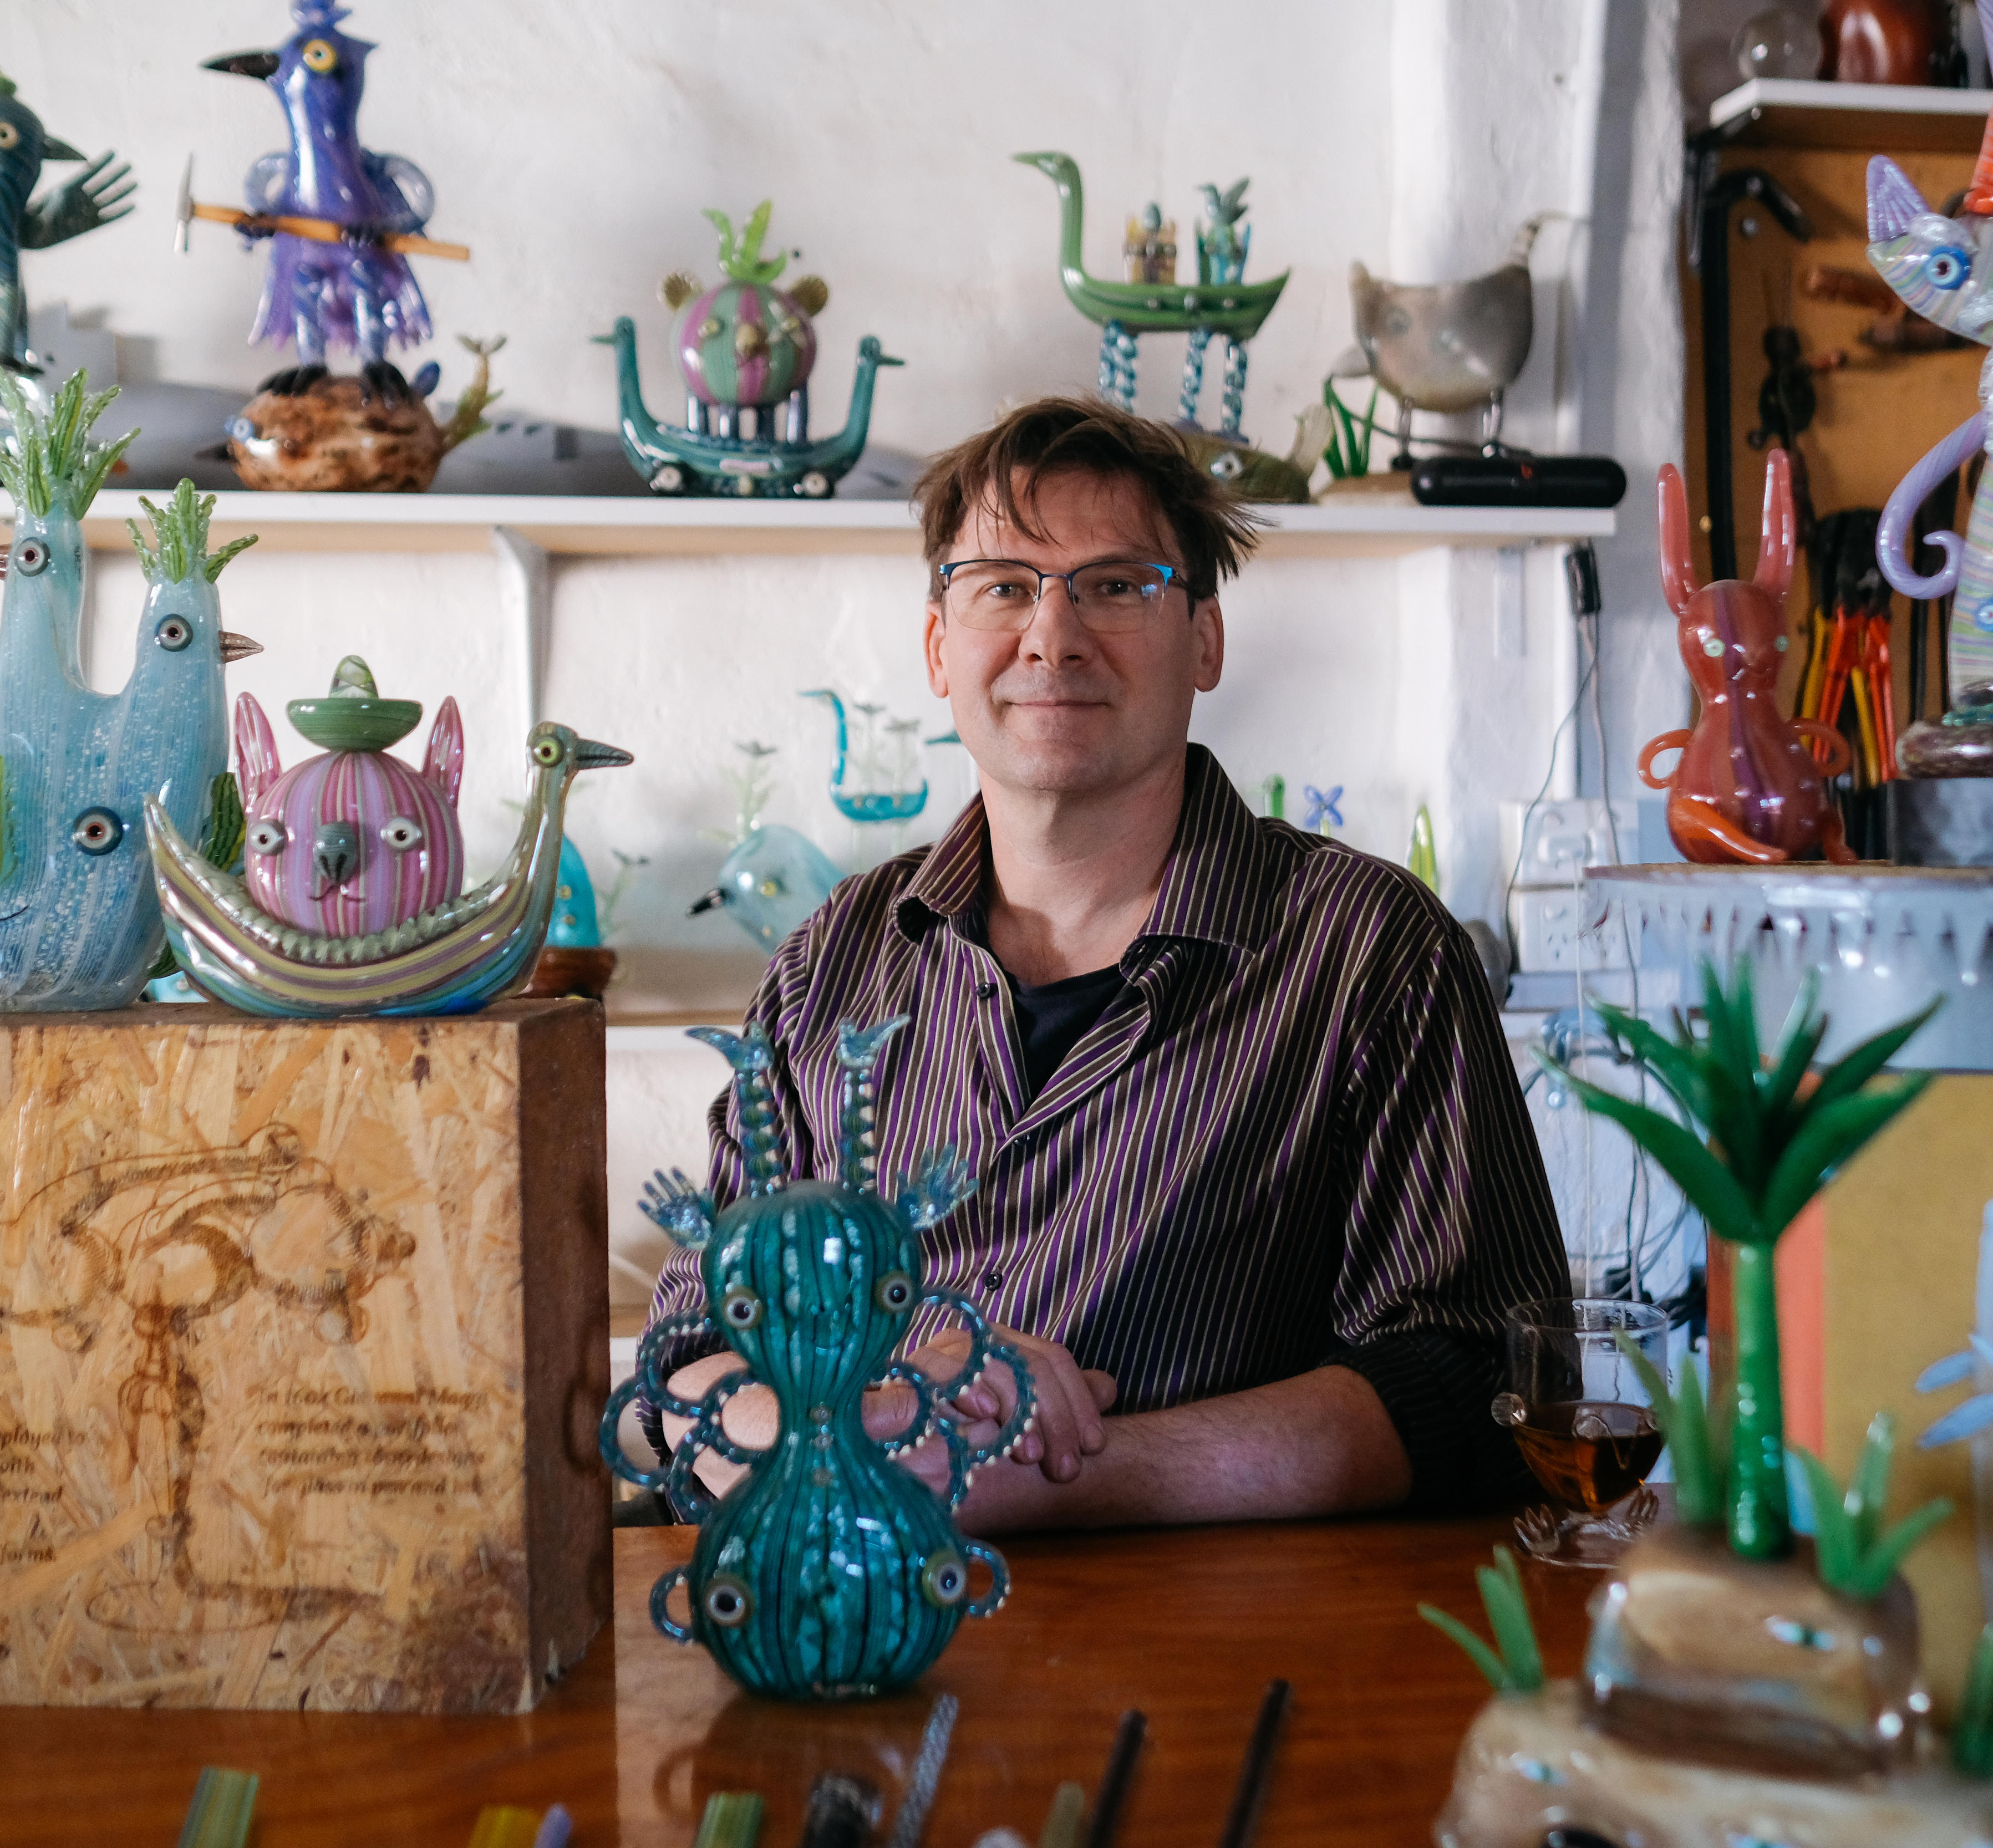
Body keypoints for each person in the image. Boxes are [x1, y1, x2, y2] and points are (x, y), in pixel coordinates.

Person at [642, 396, 1566, 1532]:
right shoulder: (826, 964)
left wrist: (1060, 1467)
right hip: (850, 1645)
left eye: (1118, 584)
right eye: (1002, 585)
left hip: (1221, 1672)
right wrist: (858, 1431)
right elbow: (682, 1363)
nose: (1053, 635)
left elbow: (1487, 1383)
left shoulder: (1372, 951)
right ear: (941, 645)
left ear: (1206, 638)